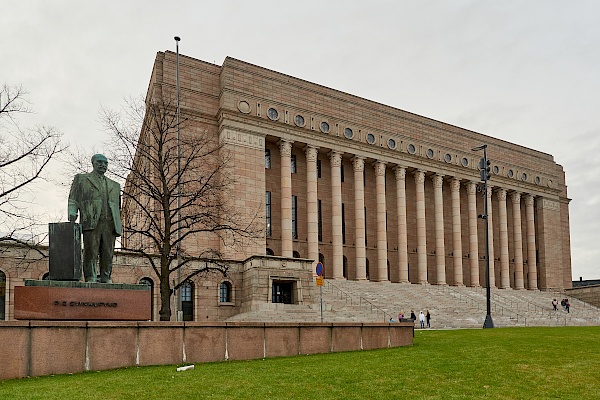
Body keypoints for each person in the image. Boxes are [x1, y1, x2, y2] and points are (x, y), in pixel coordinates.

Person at [68, 154, 122, 283]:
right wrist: (72, 211)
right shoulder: (82, 179)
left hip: (110, 222)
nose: (103, 165)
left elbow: (117, 206)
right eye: (99, 162)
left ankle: (105, 277)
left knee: (108, 252)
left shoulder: (115, 185)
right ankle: (90, 276)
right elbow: (73, 198)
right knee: (91, 250)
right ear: (93, 163)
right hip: (91, 220)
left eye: (105, 163)